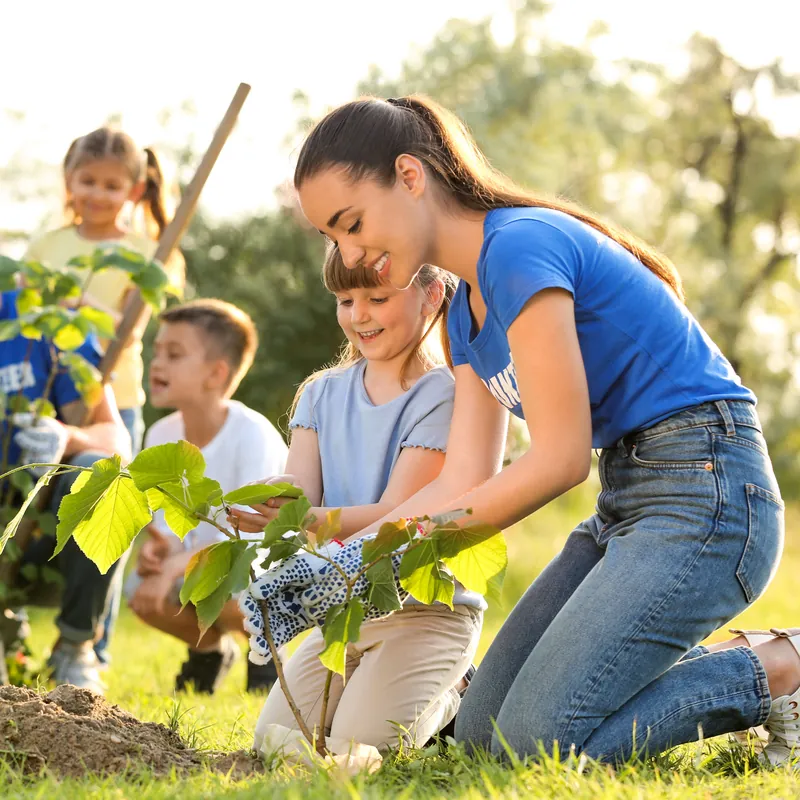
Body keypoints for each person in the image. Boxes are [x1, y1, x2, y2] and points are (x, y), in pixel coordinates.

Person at [288, 95, 795, 766]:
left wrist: (372, 556)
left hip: (710, 494)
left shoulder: (519, 247)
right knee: (481, 740)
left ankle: (778, 670)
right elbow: (461, 481)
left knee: (532, 746)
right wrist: (351, 559)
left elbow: (559, 459)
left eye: (352, 224)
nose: (352, 253)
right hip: (627, 500)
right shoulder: (463, 315)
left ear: (410, 176)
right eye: (333, 239)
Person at [230, 245, 487, 753]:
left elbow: (395, 516)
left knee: (361, 746)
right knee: (277, 744)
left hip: (425, 611)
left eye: (377, 298)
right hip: (344, 608)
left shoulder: (444, 394)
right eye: (346, 301)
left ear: (431, 295)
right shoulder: (320, 393)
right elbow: (300, 494)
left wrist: (305, 517)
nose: (359, 315)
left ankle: (458, 693)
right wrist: (265, 508)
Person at [24, 126, 186, 665]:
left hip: (115, 399)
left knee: (108, 512)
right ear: (68, 181)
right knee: (34, 506)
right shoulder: (48, 245)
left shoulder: (144, 253)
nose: (97, 193)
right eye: (87, 181)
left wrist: (80, 308)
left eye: (112, 185)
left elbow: (133, 323)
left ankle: (92, 645)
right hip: (46, 395)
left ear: (135, 190)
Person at [125, 299, 288, 694]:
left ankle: (268, 653)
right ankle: (209, 651)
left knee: (234, 590)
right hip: (199, 568)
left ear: (216, 373)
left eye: (174, 354)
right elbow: (169, 527)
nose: (156, 364)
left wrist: (173, 568)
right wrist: (160, 552)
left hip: (260, 572)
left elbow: (246, 543)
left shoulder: (252, 434)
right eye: (156, 352)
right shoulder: (160, 435)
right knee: (139, 591)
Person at [0, 289, 131, 694]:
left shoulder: (48, 325)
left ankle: (74, 647)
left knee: (100, 475)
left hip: (40, 541)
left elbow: (115, 440)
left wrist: (65, 437)